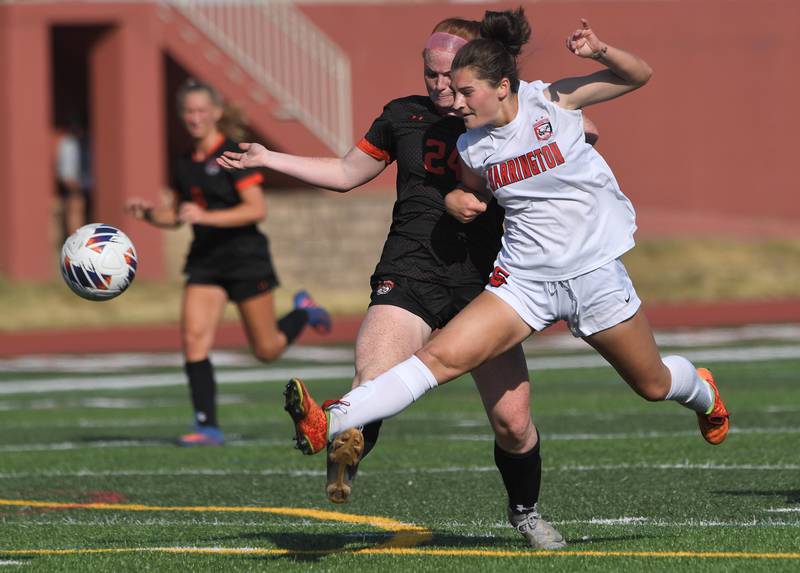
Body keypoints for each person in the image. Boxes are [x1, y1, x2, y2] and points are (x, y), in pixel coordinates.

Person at [282, 7, 730, 526]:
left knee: (652, 385)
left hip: (593, 275)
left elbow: (638, 76)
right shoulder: (471, 146)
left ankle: (703, 391)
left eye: (467, 91)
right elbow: (468, 194)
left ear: (502, 86)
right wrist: (456, 201)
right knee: (440, 360)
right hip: (525, 281)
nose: (456, 101)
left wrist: (600, 51)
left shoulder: (552, 100)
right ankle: (329, 421)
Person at [218, 18, 604, 549]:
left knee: (514, 424)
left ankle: (525, 512)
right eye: (432, 76)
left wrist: (573, 132)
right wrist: (267, 156)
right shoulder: (404, 116)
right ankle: (341, 450)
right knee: (373, 379)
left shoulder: (509, 116)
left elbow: (567, 138)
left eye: (451, 78)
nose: (441, 88)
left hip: (491, 284)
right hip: (412, 269)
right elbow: (345, 173)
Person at [126, 79, 331, 447]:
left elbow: (256, 209)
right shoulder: (185, 161)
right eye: (188, 111)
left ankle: (303, 311)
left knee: (266, 350)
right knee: (193, 341)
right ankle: (207, 426)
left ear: (217, 113)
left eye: (202, 110)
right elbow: (178, 214)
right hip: (206, 261)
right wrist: (149, 214)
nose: (195, 118)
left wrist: (204, 217)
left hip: (245, 260)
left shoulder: (234, 154)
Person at [54, 115, 93, 238]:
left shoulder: (91, 141)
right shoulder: (67, 143)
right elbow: (65, 173)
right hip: (75, 186)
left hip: (92, 184)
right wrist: (75, 185)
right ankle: (76, 239)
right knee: (76, 203)